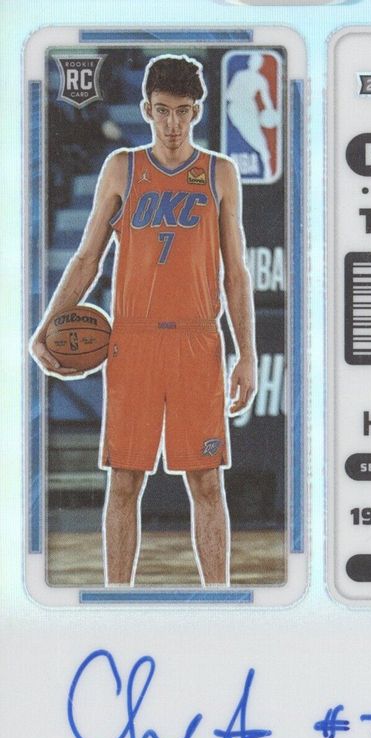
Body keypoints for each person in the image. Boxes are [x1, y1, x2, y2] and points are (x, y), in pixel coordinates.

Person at [31, 54, 257, 588]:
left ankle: (218, 601)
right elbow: (87, 259)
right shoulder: (122, 168)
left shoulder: (220, 173)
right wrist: (48, 326)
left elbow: (236, 273)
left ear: (196, 111)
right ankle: (117, 598)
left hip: (198, 342)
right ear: (146, 109)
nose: (172, 123)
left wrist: (246, 353)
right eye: (162, 110)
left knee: (207, 483)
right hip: (132, 341)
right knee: (125, 481)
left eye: (182, 111)